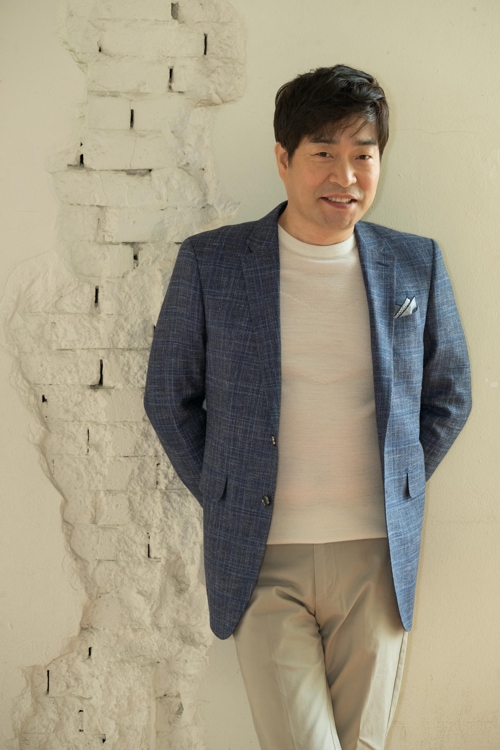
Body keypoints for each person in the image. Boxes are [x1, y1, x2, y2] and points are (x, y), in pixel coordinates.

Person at [144, 65, 472, 750]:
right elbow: (170, 397)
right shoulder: (213, 263)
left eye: (362, 155)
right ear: (283, 159)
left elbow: (449, 394)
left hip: (376, 557)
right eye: (323, 152)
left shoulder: (415, 263)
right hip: (263, 559)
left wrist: (399, 481)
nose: (344, 176)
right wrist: (229, 490)